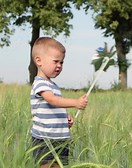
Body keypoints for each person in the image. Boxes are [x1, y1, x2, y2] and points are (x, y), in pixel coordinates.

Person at [30, 37, 88, 167]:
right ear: (39, 61)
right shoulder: (40, 83)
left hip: (60, 139)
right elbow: (52, 100)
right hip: (45, 140)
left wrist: (65, 118)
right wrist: (75, 103)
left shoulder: (53, 85)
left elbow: (53, 108)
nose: (59, 66)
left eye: (62, 62)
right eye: (56, 61)